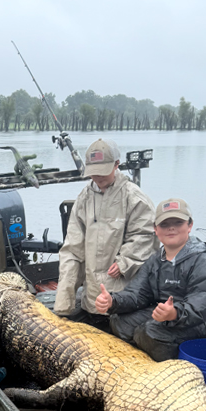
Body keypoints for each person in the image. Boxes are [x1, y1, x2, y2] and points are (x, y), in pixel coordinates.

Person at [94, 198, 206, 361]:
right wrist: (113, 301)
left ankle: (171, 366)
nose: (171, 228)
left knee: (152, 332)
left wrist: (175, 313)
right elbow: (137, 294)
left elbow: (202, 304)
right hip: (171, 314)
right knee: (120, 321)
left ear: (189, 225)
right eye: (164, 224)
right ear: (155, 229)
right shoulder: (154, 260)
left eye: (178, 222)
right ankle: (145, 356)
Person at [54, 137, 156, 322]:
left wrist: (125, 262)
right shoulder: (84, 197)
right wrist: (63, 305)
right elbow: (72, 250)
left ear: (117, 164)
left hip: (124, 297)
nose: (98, 177)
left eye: (103, 171)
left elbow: (145, 236)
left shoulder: (134, 197)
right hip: (91, 296)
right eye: (94, 173)